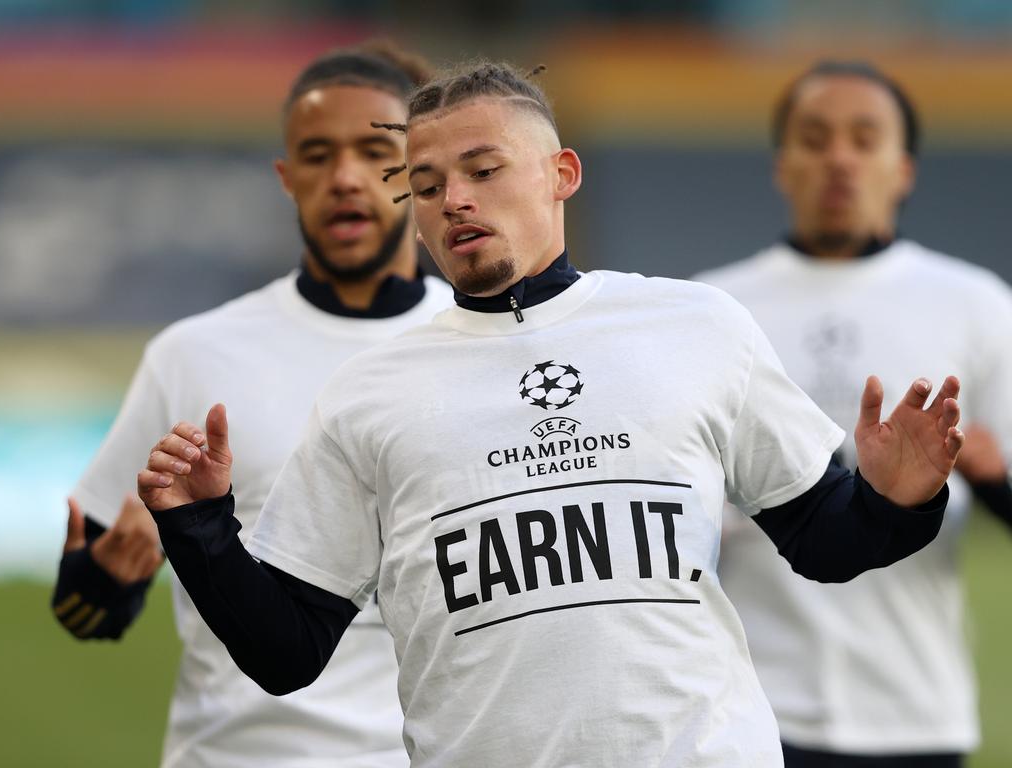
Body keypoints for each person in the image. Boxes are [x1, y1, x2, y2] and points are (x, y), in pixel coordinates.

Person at [138, 62, 966, 768]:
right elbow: (286, 652)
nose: (452, 199)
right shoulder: (369, 392)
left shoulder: (696, 326)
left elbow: (826, 541)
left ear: (561, 174)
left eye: (482, 170)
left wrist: (899, 500)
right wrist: (201, 525)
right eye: (425, 186)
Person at [50, 42, 453, 768]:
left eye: (374, 151)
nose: (345, 177)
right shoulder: (196, 352)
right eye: (318, 154)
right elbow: (81, 604)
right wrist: (110, 581)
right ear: (286, 176)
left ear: (420, 167)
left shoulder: (478, 344)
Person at [694, 61, 1012, 768]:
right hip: (747, 710)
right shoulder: (709, 310)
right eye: (815, 138)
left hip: (912, 710)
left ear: (903, 170)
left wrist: (988, 476)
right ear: (783, 166)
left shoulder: (976, 304)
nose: (839, 157)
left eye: (864, 139)